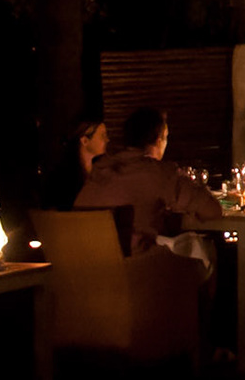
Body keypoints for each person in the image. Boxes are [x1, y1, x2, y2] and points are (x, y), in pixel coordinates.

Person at [76, 106, 223, 264]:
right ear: (159, 140)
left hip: (86, 270)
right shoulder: (159, 172)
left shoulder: (100, 171)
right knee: (201, 251)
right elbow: (212, 211)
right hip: (131, 271)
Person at [39, 112, 108, 210]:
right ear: (85, 141)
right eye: (103, 135)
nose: (107, 140)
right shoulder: (63, 179)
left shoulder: (101, 171)